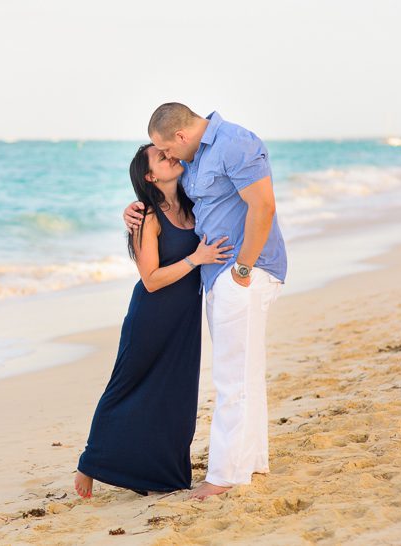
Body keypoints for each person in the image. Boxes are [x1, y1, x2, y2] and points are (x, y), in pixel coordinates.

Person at [123, 103, 287, 500]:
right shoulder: (195, 158)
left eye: (166, 149)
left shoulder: (234, 143)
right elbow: (183, 205)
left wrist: (243, 270)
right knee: (245, 373)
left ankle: (223, 476)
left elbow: (263, 205)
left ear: (179, 136)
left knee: (231, 377)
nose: (169, 157)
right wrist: (134, 206)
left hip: (242, 271)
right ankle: (251, 461)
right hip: (219, 275)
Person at [74, 143, 232, 498]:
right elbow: (151, 278)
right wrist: (197, 258)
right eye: (161, 157)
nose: (170, 156)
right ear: (150, 176)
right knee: (127, 385)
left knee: (177, 394)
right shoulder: (146, 216)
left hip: (184, 317)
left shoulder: (193, 201)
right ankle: (90, 463)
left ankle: (167, 476)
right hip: (151, 314)